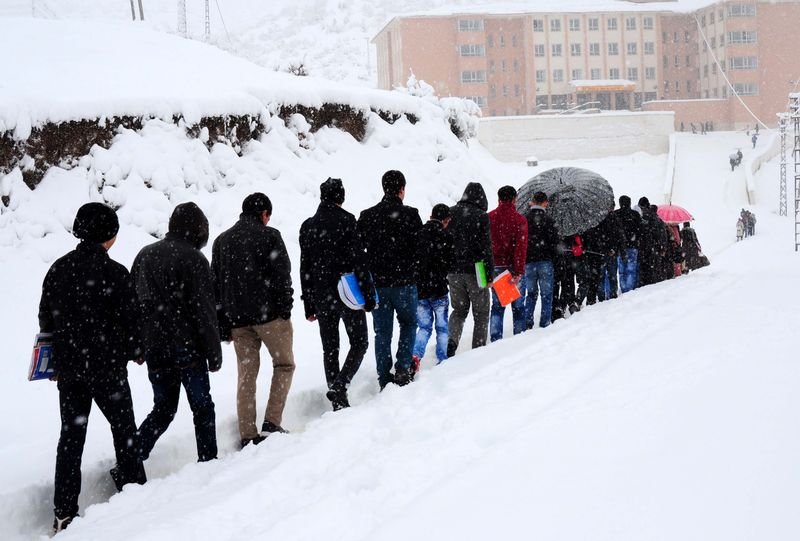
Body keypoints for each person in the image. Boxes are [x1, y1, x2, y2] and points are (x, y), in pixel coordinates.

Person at [38, 203, 146, 533]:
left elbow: (46, 318)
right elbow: (132, 321)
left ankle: (64, 511)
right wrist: (136, 350)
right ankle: (135, 493)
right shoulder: (115, 273)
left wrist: (52, 359)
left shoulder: (58, 270)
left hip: (70, 370)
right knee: (124, 431)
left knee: (71, 438)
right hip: (108, 369)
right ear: (108, 235)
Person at [132, 203, 221, 463]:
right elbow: (204, 311)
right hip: (187, 345)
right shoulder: (194, 259)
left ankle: (131, 459)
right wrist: (214, 354)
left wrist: (137, 344)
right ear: (198, 229)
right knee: (202, 407)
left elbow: (133, 305)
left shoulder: (144, 255)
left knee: (163, 408)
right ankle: (208, 462)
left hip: (154, 346)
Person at [212, 193, 295, 448]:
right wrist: (285, 308)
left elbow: (216, 286)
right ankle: (271, 421)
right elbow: (282, 274)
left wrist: (223, 323)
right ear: (264, 214)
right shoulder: (270, 236)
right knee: (284, 365)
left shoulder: (222, 241)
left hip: (238, 320)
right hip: (269, 317)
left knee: (246, 374)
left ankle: (247, 433)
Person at [299, 178, 374, 411]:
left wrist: (308, 304)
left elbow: (305, 268)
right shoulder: (348, 221)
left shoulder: (308, 226)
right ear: (341, 197)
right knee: (359, 342)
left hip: (322, 295)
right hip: (347, 293)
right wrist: (368, 294)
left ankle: (336, 392)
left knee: (330, 348)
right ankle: (341, 385)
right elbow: (359, 261)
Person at [357, 170, 423, 388]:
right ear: (402, 189)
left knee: (382, 332)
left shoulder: (368, 216)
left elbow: (359, 251)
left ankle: (384, 376)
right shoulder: (411, 215)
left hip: (379, 284)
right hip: (405, 283)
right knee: (408, 324)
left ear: (384, 188)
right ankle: (403, 369)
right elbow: (419, 248)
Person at [446, 182, 493, 356]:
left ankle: (451, 341)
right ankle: (477, 351)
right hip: (477, 269)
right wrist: (488, 275)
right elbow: (486, 248)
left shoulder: (450, 212)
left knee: (459, 310)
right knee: (481, 312)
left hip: (453, 270)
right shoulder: (481, 216)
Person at [412, 204, 454, 367]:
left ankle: (415, 356)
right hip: (439, 289)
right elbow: (451, 264)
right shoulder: (446, 237)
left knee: (423, 327)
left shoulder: (418, 234)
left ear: (430, 216)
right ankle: (442, 360)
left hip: (420, 290)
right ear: (445, 220)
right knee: (442, 328)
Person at [488, 186, 528, 341]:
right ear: (514, 199)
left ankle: (495, 338)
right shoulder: (520, 220)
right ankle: (519, 338)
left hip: (495, 267)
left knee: (497, 307)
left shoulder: (489, 218)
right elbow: (521, 247)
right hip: (512, 268)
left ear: (498, 199)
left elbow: (484, 246)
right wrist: (518, 271)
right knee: (518, 307)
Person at [522, 191, 558, 329]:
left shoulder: (525, 219)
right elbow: (555, 243)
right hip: (545, 261)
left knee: (530, 294)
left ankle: (527, 322)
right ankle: (544, 323)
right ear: (544, 202)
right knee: (546, 294)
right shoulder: (549, 220)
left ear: (533, 201)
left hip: (529, 262)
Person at [614, 195, 642, 293]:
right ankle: (630, 288)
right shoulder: (635, 215)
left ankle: (623, 287)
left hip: (620, 247)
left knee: (622, 270)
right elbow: (640, 230)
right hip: (633, 246)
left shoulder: (615, 214)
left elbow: (613, 232)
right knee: (631, 269)